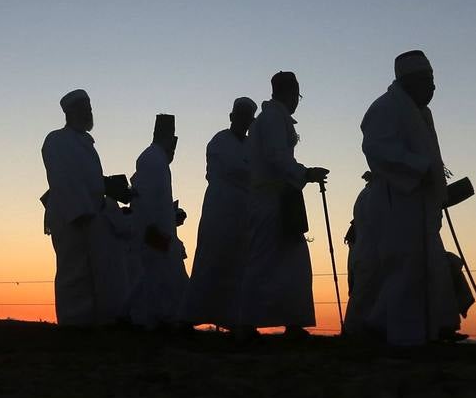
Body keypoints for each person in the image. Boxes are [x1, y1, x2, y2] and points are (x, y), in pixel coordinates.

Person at [357, 50, 460, 346]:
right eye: (428, 80)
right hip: (397, 200)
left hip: (420, 203)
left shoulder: (420, 113)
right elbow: (376, 149)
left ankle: (408, 331)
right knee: (403, 266)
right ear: (410, 80)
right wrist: (419, 168)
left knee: (422, 268)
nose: (433, 88)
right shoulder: (385, 107)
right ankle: (392, 331)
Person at [236, 72, 328, 338]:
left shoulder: (271, 119)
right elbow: (277, 157)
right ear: (291, 92)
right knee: (263, 258)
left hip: (280, 198)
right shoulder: (274, 119)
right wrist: (305, 173)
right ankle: (247, 322)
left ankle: (292, 320)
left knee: (292, 260)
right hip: (270, 200)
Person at [41, 89, 126, 327]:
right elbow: (64, 179)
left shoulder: (85, 142)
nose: (89, 113)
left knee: (92, 271)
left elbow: (90, 181)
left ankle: (91, 320)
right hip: (72, 215)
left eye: (90, 108)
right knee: (73, 270)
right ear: (71, 112)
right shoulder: (57, 140)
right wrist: (79, 212)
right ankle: (73, 322)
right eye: (85, 109)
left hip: (92, 215)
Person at [182, 97, 257, 329]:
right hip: (220, 208)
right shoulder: (219, 141)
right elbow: (234, 170)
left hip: (243, 212)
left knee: (240, 264)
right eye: (241, 116)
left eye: (248, 118)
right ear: (232, 117)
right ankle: (191, 316)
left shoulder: (252, 145)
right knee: (212, 259)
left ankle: (236, 319)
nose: (244, 122)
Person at [129, 114, 184, 329]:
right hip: (153, 229)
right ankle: (148, 319)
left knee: (159, 274)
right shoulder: (152, 159)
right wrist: (153, 228)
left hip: (159, 227)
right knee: (155, 273)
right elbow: (147, 198)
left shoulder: (155, 158)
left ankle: (154, 317)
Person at [342, 172, 383, 337]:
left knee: (363, 288)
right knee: (365, 288)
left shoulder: (368, 193)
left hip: (363, 247)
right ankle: (356, 329)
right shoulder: (374, 194)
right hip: (369, 248)